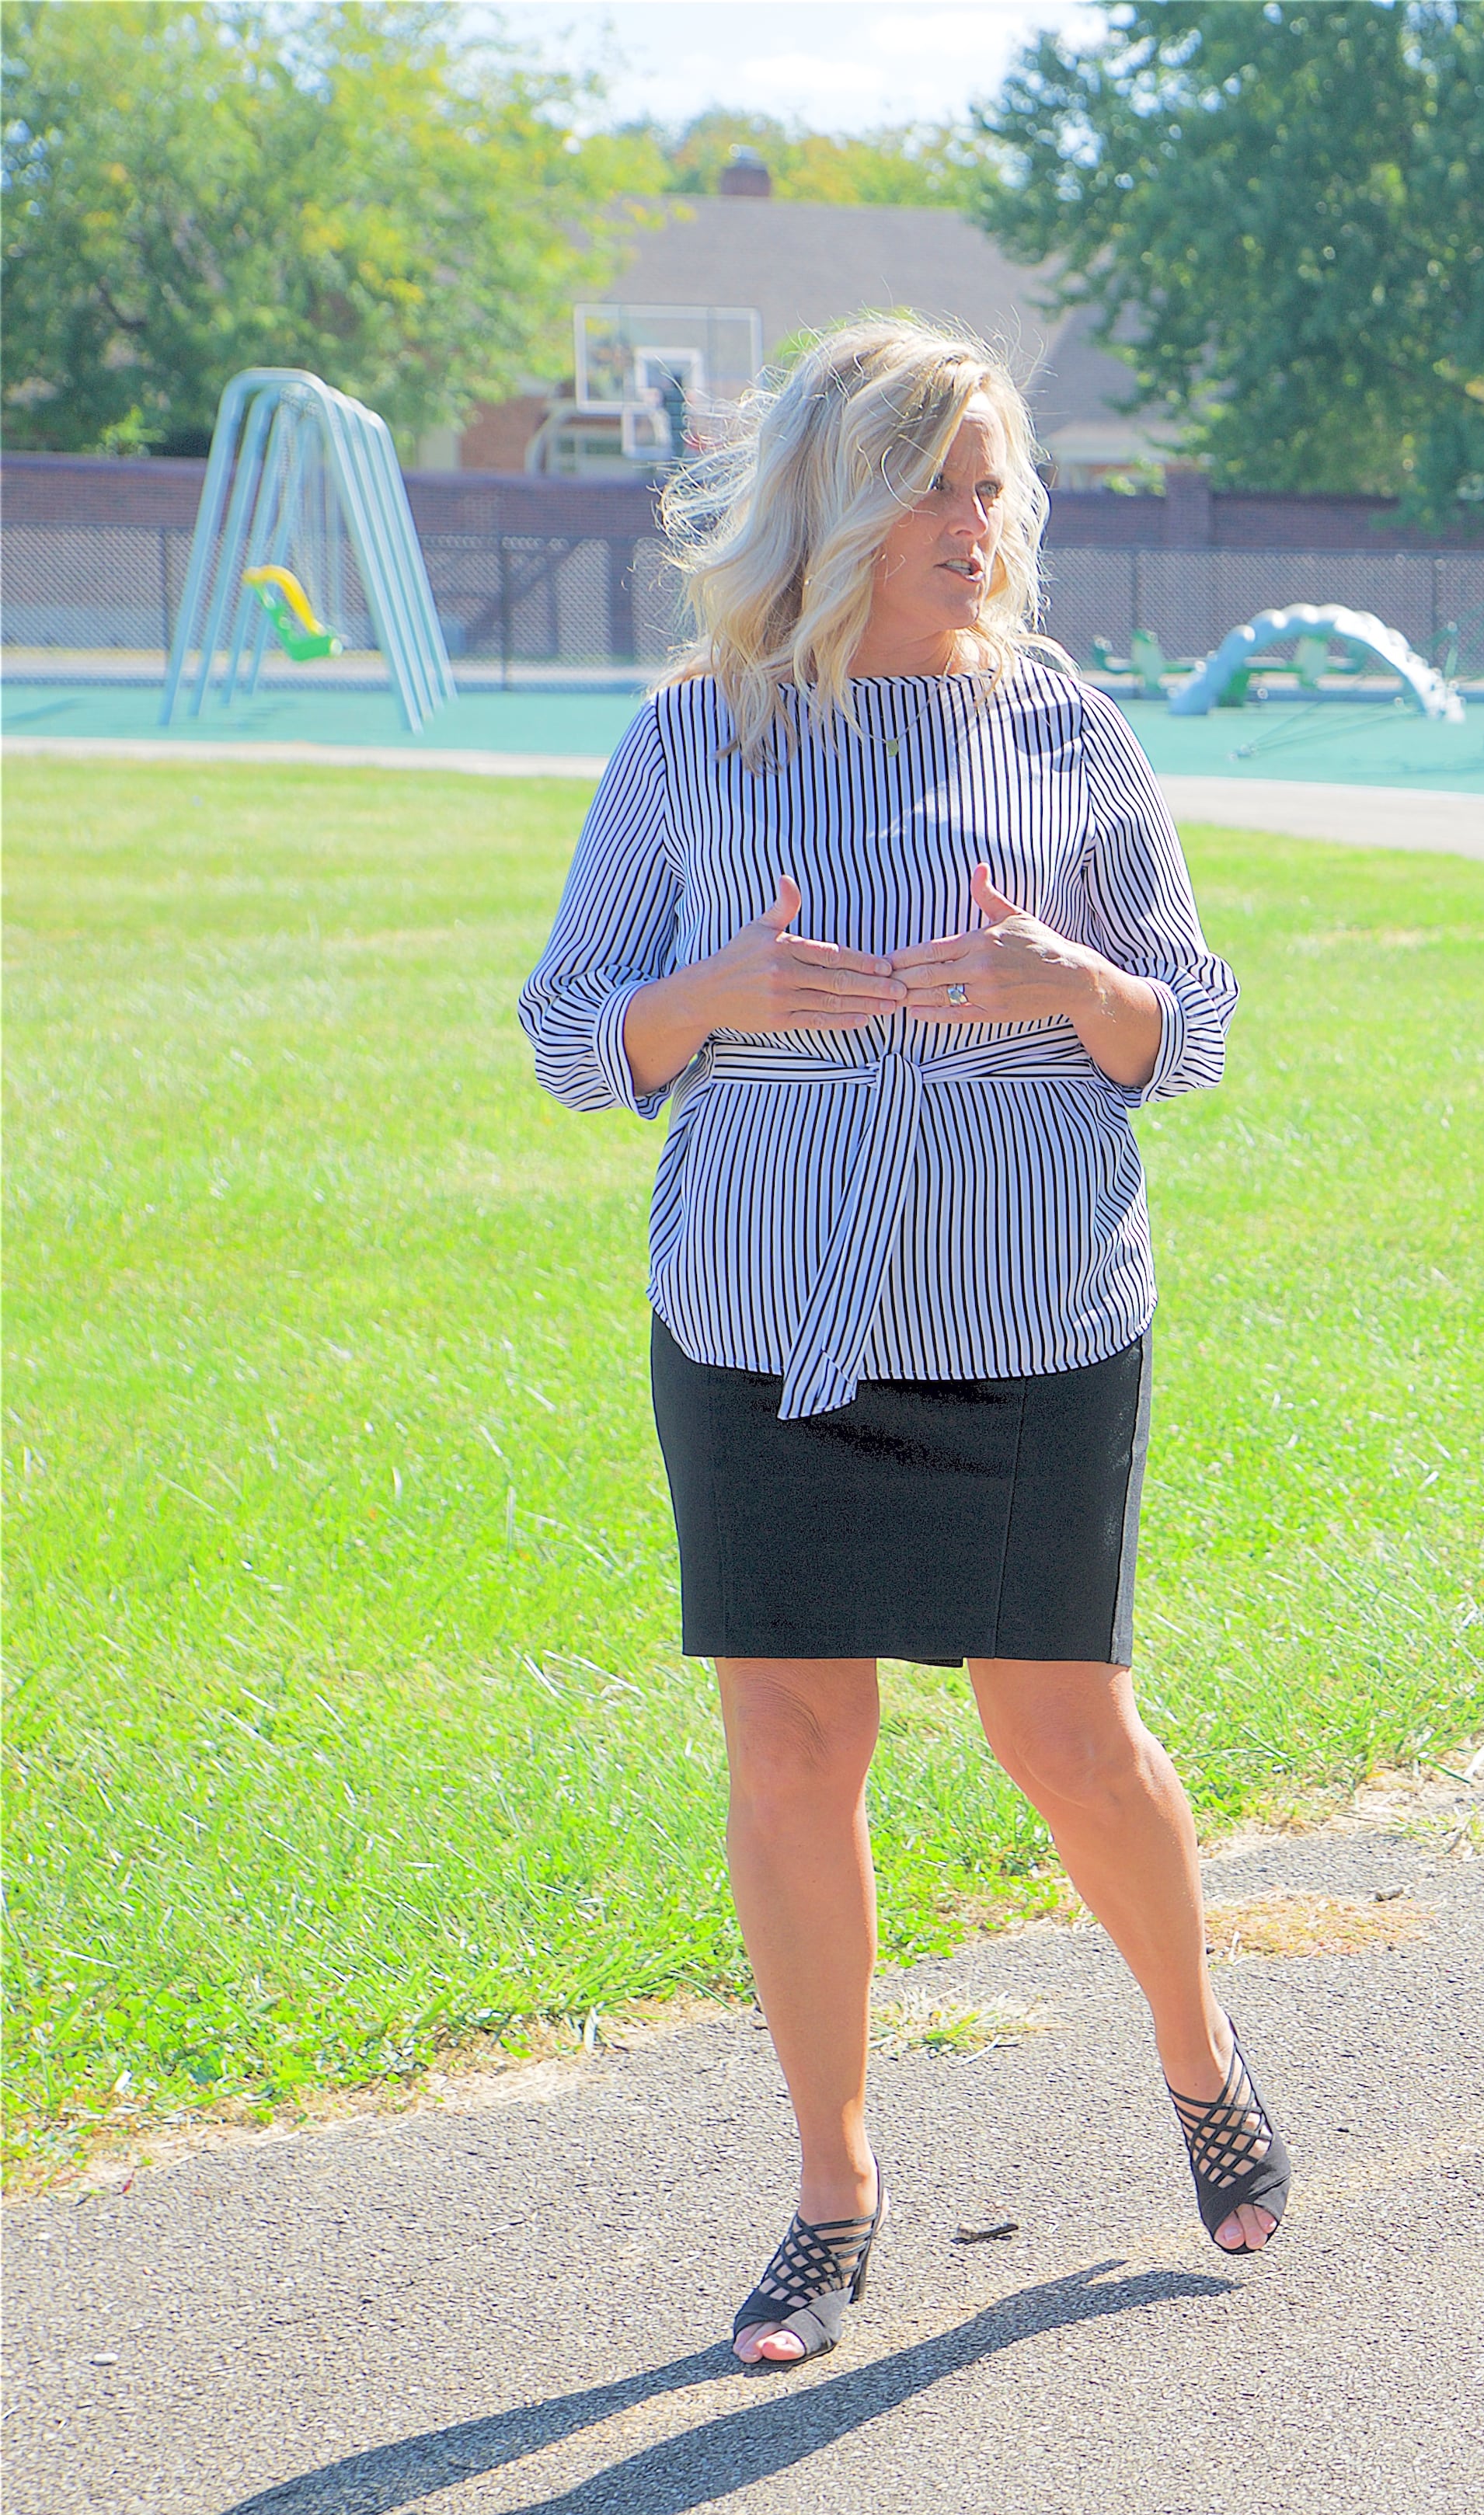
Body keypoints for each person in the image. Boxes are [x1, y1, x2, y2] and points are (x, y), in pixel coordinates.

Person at [520, 318, 1270, 2369]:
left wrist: (1067, 976)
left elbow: (1188, 1032)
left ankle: (1200, 2057)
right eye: (938, 480)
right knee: (793, 1749)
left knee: (1067, 1743)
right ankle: (831, 2198)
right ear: (843, 502)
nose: (981, 518)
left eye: (996, 479)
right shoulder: (696, 740)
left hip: (1032, 1330)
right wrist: (720, 996)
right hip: (764, 1332)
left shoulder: (1072, 737)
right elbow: (576, 1036)